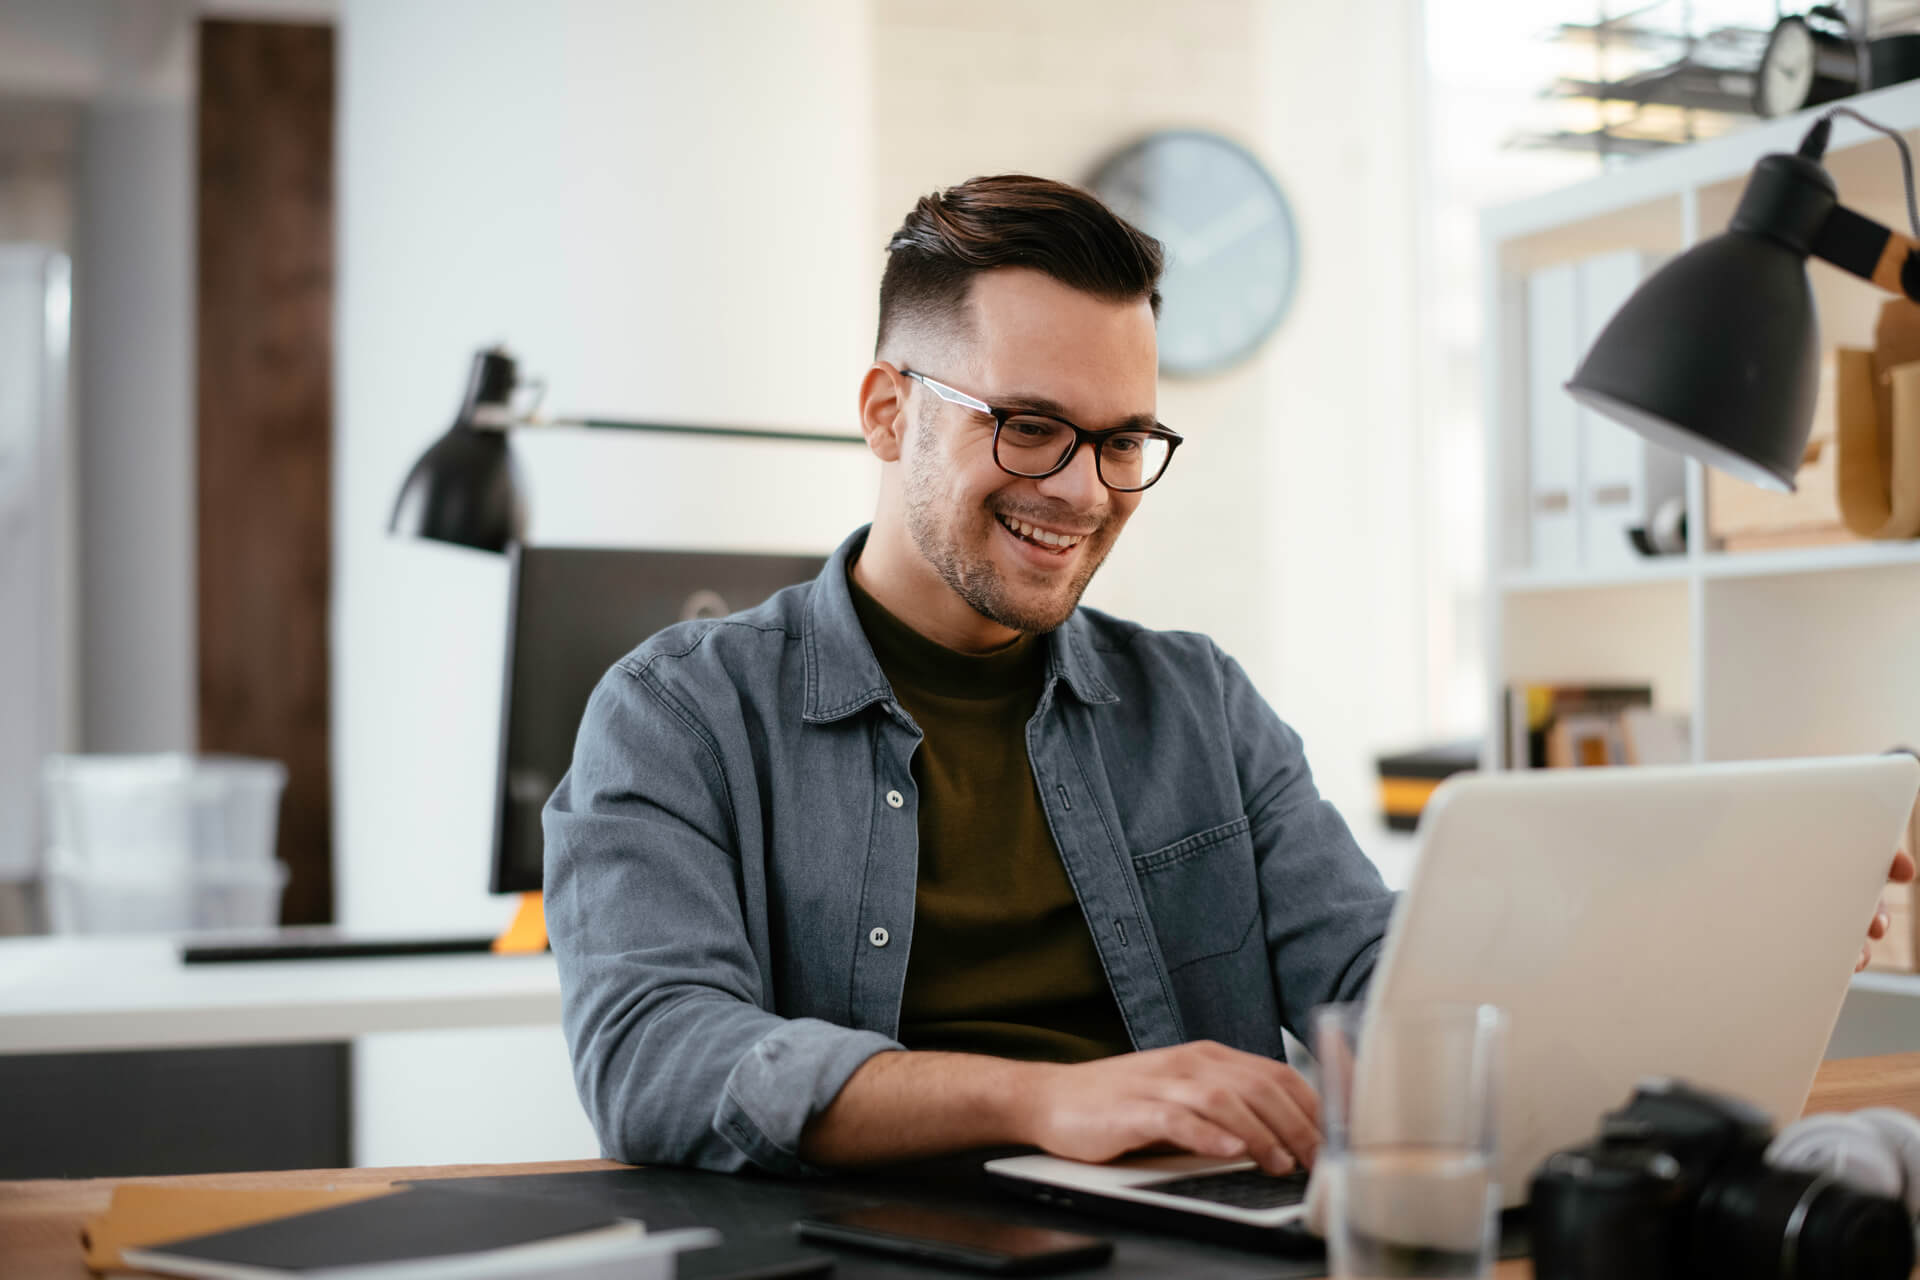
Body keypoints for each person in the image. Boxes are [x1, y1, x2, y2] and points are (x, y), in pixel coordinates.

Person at [543, 174, 1915, 1179]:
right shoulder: (677, 714)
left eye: (1122, 440)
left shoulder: (1196, 704)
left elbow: (1384, 986)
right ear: (889, 412)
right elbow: (654, 1055)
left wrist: (1704, 932)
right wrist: (1041, 1101)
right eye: (1030, 427)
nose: (1083, 491)